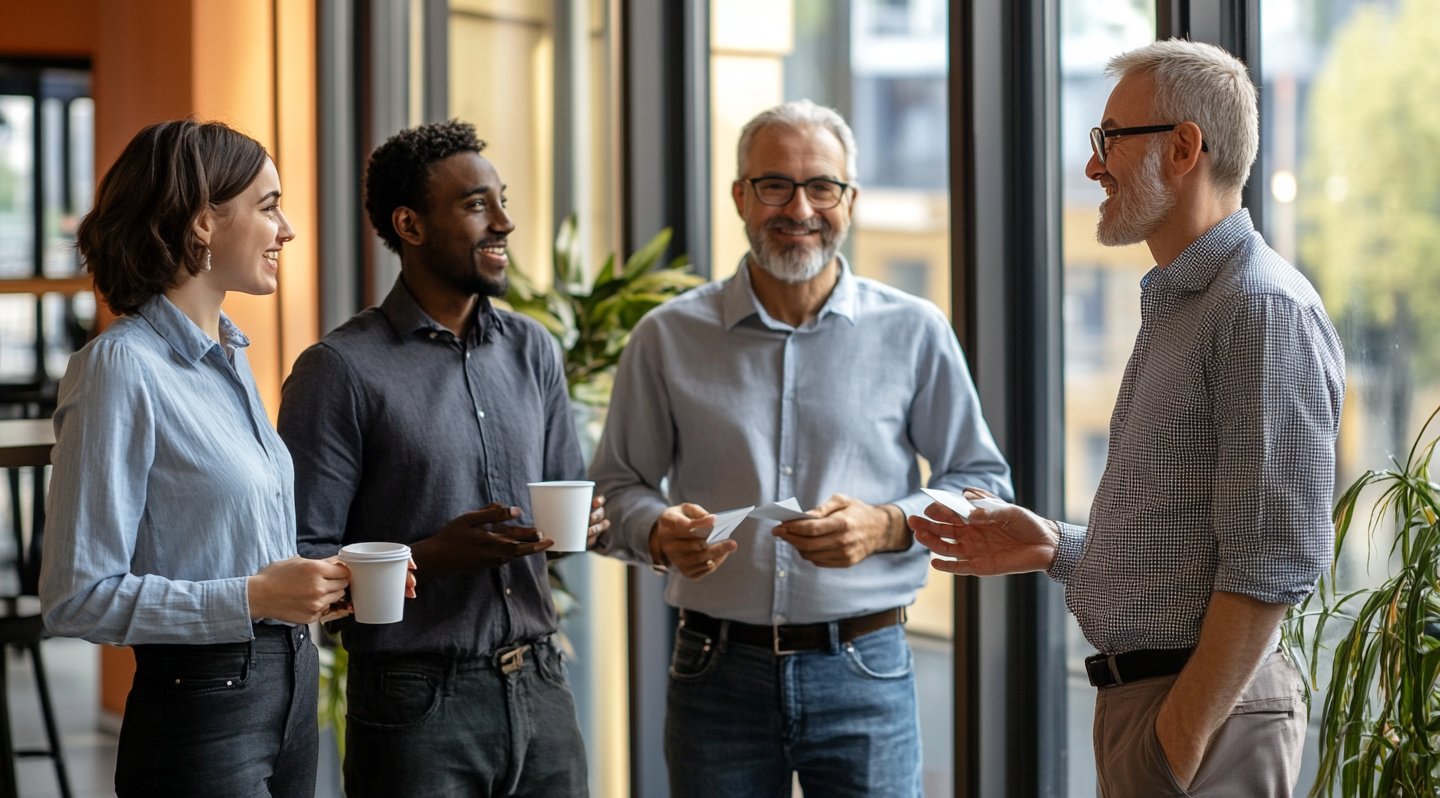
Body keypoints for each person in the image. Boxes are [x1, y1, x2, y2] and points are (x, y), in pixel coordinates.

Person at [910, 40, 1345, 798]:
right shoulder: (1182, 302)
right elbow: (1188, 544)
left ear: (1183, 148)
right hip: (1160, 711)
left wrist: (1173, 745)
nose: (1093, 166)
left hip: (1202, 722)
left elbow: (1271, 561)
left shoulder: (1260, 308)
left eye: (1110, 139)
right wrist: (1056, 547)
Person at [590, 99, 1012, 797]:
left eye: (822, 186)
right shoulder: (666, 337)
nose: (800, 208)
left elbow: (984, 482)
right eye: (774, 185)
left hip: (866, 668)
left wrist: (890, 524)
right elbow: (613, 489)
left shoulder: (914, 330)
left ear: (850, 200)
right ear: (739, 197)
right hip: (712, 673)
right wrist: (658, 532)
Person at [278, 119, 605, 798]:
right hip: (414, 704)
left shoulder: (534, 351)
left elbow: (560, 529)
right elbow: (304, 567)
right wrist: (431, 556)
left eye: (502, 199)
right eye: (477, 205)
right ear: (412, 225)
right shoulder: (338, 370)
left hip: (543, 685)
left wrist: (584, 530)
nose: (505, 224)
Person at [40, 119, 357, 798]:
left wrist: (317, 585)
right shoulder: (119, 370)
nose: (289, 229)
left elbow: (229, 544)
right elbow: (76, 598)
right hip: (202, 707)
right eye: (268, 207)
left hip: (292, 689)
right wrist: (255, 596)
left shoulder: (230, 359)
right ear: (201, 222)